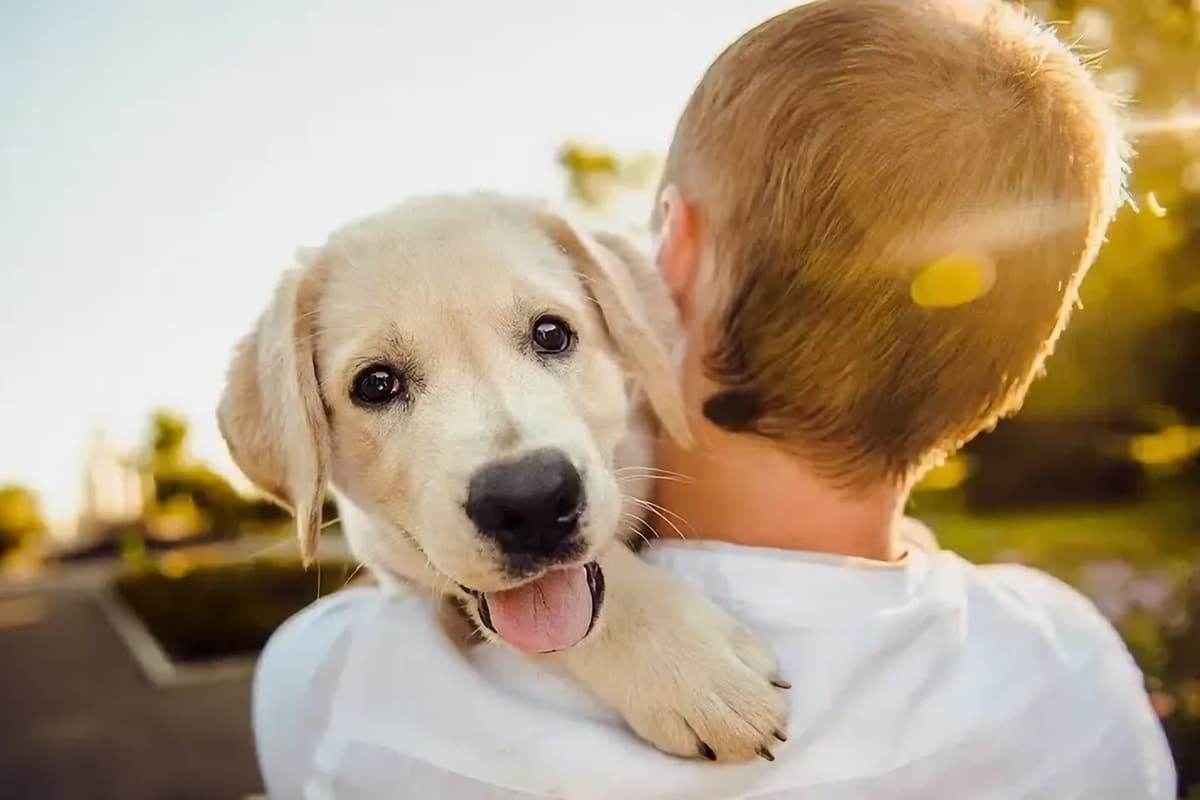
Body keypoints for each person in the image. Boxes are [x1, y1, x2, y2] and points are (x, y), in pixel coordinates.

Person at [252, 1, 1176, 797]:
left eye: (548, 336)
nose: (514, 449)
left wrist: (609, 621)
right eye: (381, 384)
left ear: (671, 252)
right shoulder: (1075, 676)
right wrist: (610, 621)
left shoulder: (339, 692)